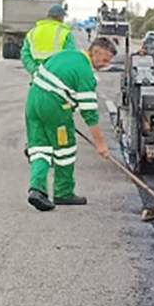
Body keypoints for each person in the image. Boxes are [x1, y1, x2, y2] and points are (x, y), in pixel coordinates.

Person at [24, 37, 115, 212]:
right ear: (95, 52)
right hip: (54, 107)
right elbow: (89, 113)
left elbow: (39, 73)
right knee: (65, 149)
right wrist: (101, 144)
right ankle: (63, 193)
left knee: (40, 149)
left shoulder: (65, 55)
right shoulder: (85, 73)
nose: (105, 65)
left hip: (32, 102)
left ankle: (37, 190)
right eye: (104, 60)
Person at [20, 3, 76, 75]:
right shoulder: (65, 33)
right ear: (61, 17)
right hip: (57, 75)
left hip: (37, 75)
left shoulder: (32, 32)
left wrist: (34, 70)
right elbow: (70, 56)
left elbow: (25, 55)